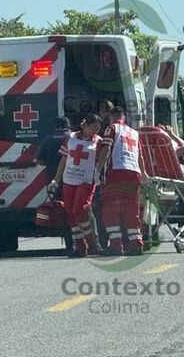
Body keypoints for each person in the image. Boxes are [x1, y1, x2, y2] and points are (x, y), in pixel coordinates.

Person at [97, 107, 148, 256]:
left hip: (117, 173)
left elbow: (106, 150)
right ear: (124, 117)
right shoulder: (134, 133)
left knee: (111, 210)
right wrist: (143, 173)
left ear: (111, 117)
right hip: (134, 174)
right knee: (132, 211)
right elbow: (140, 157)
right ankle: (136, 244)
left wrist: (98, 169)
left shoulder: (112, 128)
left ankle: (115, 246)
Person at [50, 114, 102, 257]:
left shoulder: (99, 141)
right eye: (93, 127)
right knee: (70, 212)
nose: (95, 131)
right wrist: (56, 180)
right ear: (84, 125)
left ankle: (92, 243)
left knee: (79, 209)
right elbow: (63, 160)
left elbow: (103, 159)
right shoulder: (70, 138)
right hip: (69, 179)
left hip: (86, 181)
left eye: (98, 128)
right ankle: (80, 247)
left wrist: (99, 173)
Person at [36, 117, 71, 187]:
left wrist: (51, 162)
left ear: (54, 127)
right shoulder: (74, 138)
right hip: (73, 178)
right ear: (69, 126)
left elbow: (39, 160)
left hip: (53, 177)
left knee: (56, 197)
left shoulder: (47, 140)